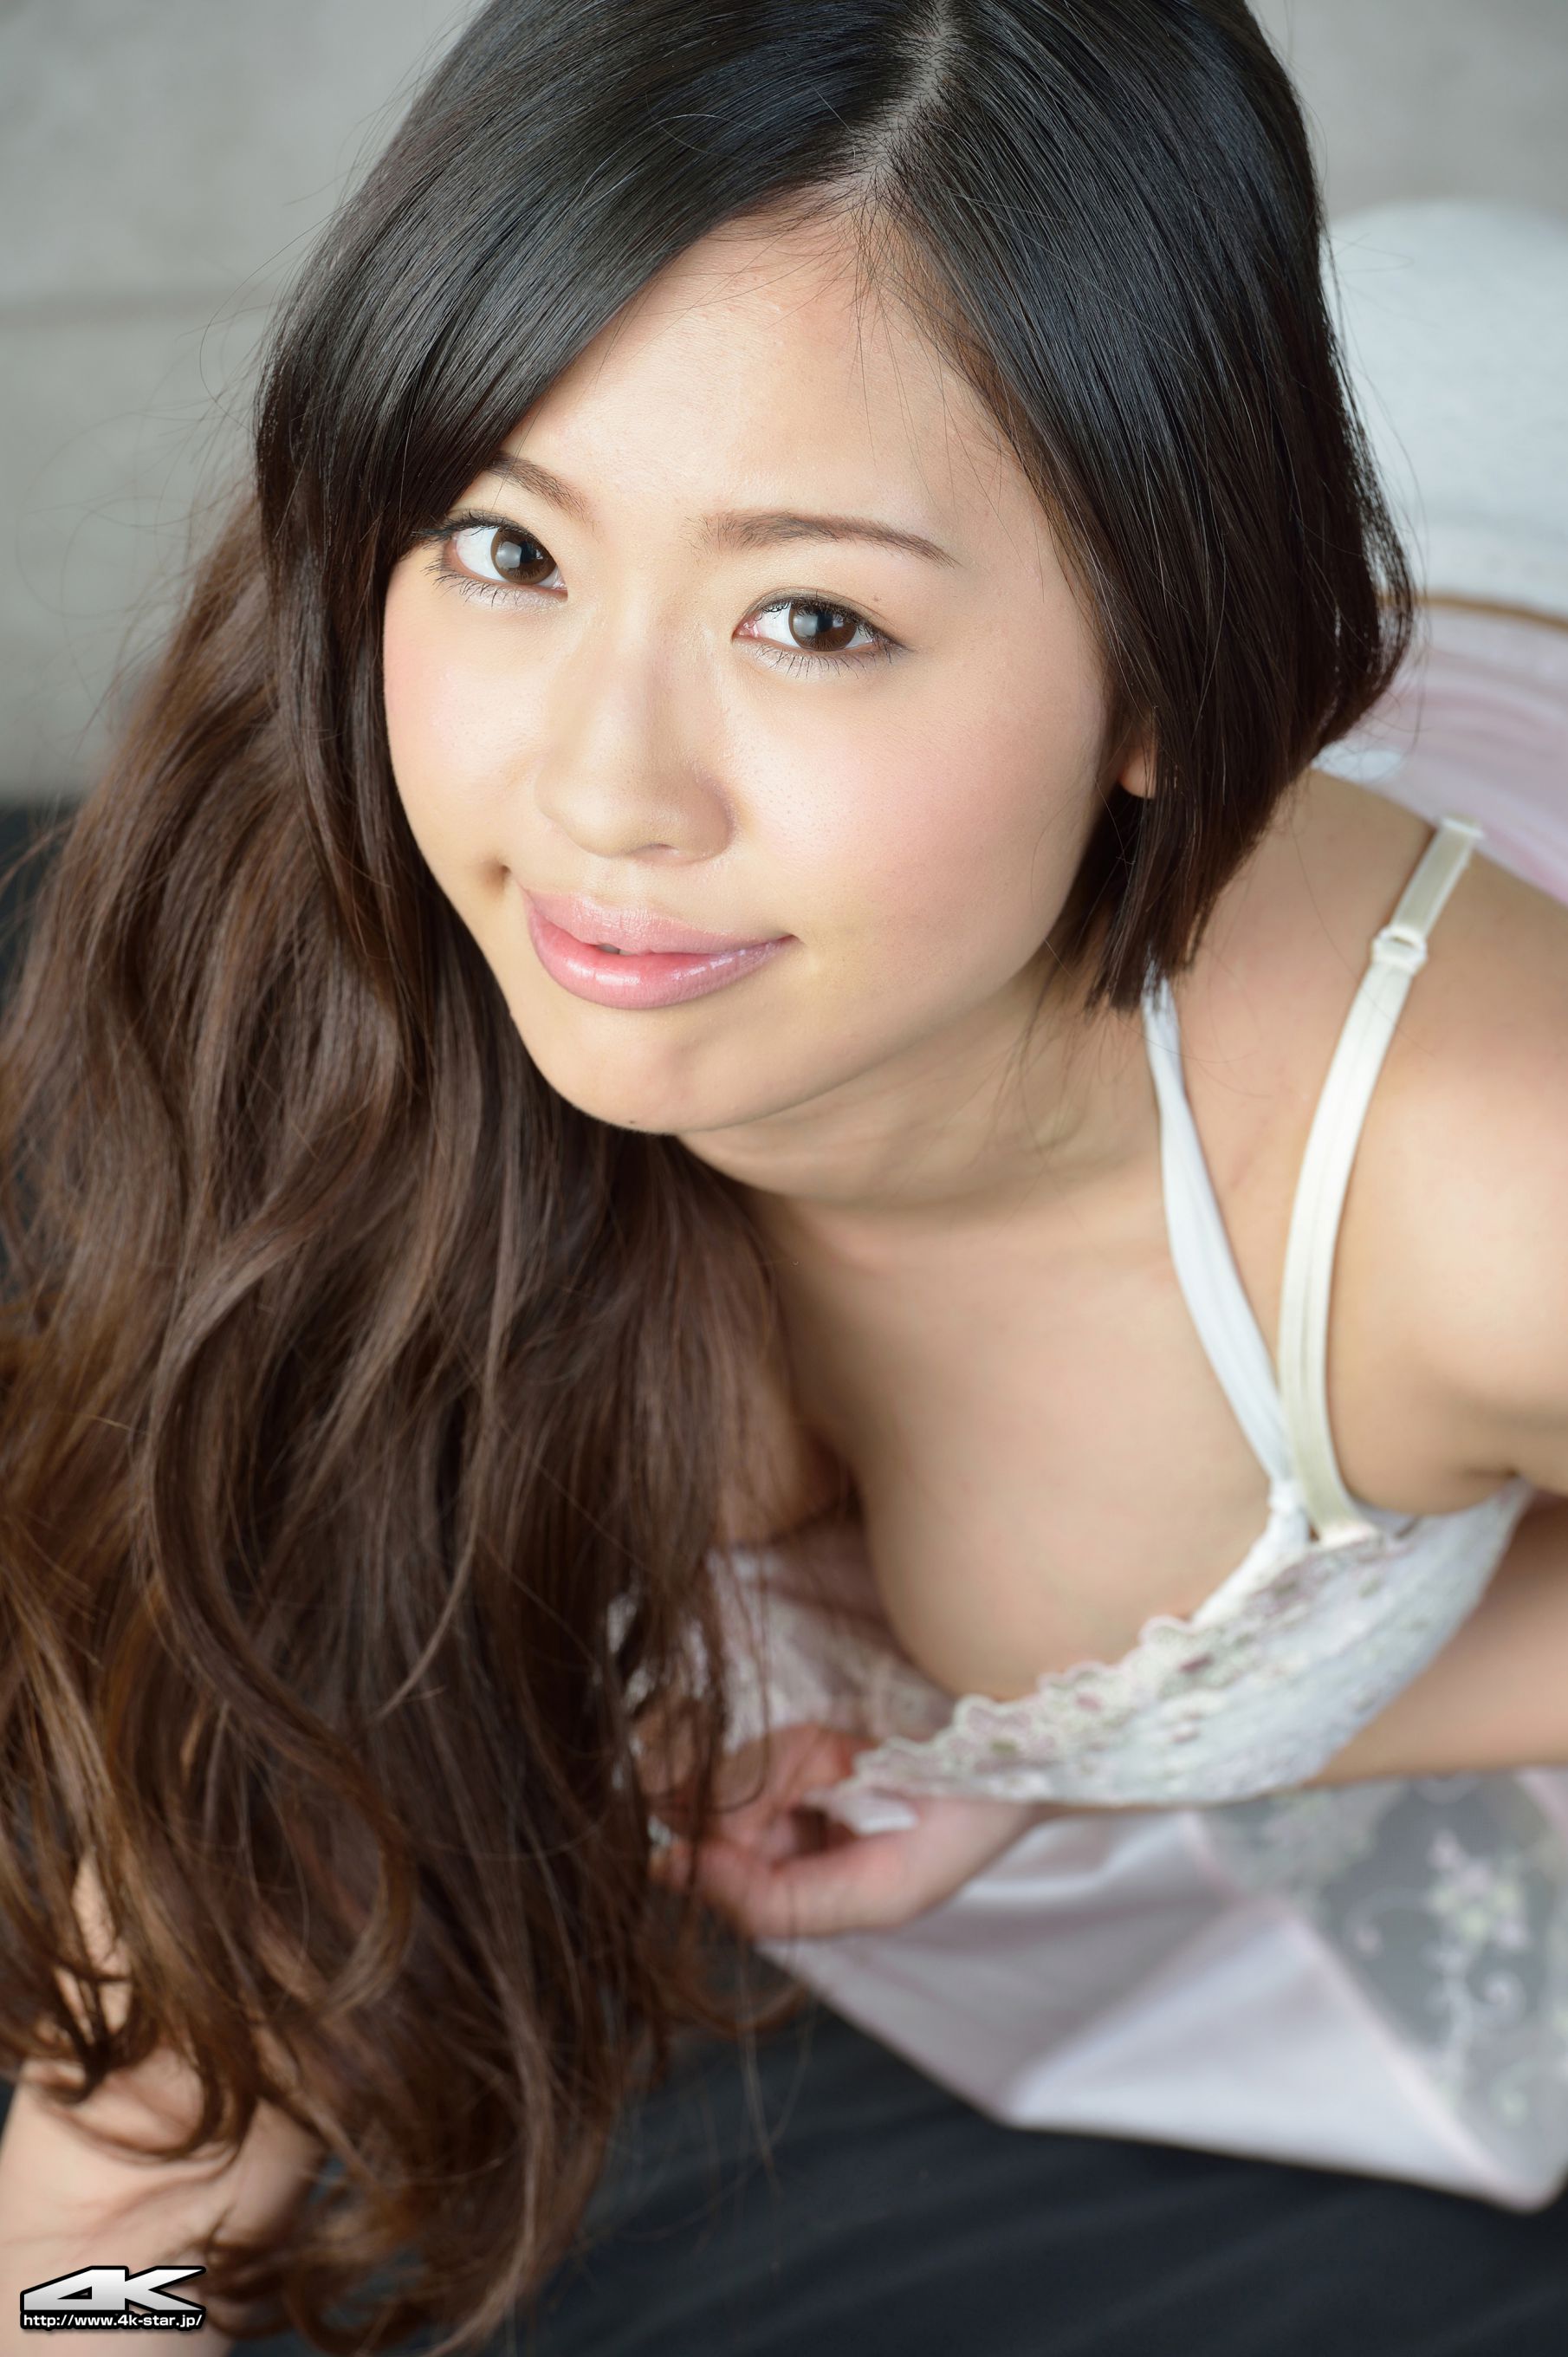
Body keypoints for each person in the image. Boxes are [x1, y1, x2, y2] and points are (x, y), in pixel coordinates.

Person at [0, 5, 1564, 2354]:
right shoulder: (314, 990)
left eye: (810, 620)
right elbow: (124, 2175)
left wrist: (1175, 1734)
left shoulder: (1490, 1187)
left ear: (1158, 675)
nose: (599, 792)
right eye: (509, 544)